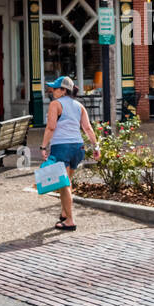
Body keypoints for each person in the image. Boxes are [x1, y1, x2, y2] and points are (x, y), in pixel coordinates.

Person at [40, 75, 98, 232]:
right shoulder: (79, 106)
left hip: (62, 147)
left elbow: (51, 127)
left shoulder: (55, 104)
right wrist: (96, 147)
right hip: (78, 148)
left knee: (64, 184)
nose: (52, 91)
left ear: (63, 90)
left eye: (55, 88)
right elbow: (88, 128)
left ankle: (70, 220)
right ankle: (64, 213)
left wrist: (43, 147)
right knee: (67, 181)